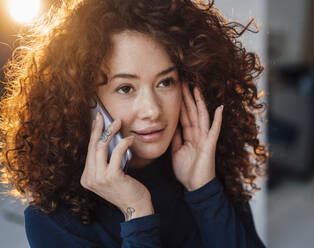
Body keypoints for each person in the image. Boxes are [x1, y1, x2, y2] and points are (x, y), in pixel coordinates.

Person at [0, 0, 267, 247]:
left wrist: (204, 191)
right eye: (126, 88)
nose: (152, 110)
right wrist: (136, 211)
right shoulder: (52, 220)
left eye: (165, 82)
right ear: (84, 99)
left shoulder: (205, 167)